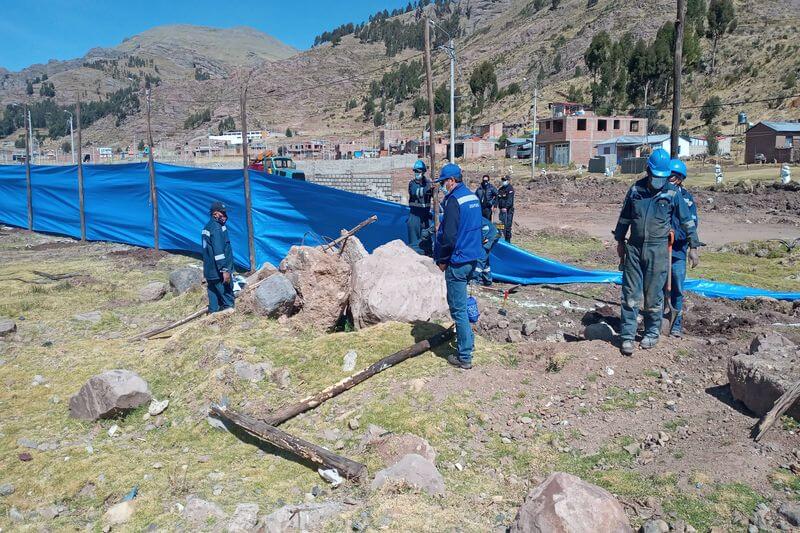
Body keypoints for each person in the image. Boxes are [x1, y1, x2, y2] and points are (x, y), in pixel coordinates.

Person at [613, 149, 700, 356]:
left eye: (663, 177)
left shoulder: (672, 192)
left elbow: (687, 221)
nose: (659, 181)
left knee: (654, 295)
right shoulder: (635, 190)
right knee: (630, 295)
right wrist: (619, 241)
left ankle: (652, 332)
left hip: (658, 249)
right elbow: (624, 218)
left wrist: (693, 247)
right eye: (656, 176)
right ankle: (627, 336)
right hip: (634, 248)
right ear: (648, 171)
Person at [434, 163, 483, 370]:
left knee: (459, 310)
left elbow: (449, 236)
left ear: (452, 181)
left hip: (458, 261)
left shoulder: (454, 201)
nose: (442, 187)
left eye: (443, 183)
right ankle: (467, 342)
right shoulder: (472, 197)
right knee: (462, 307)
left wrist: (443, 260)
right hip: (472, 258)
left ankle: (464, 356)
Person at [667, 159, 699, 338]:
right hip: (658, 250)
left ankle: (676, 324)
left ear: (679, 179)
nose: (667, 179)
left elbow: (691, 224)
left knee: (677, 286)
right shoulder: (661, 194)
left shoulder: (686, 199)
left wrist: (692, 248)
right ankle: (656, 320)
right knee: (656, 287)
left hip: (678, 249)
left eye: (671, 176)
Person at [202, 201, 235, 313]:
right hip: (218, 273)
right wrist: (224, 270)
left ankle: (213, 322)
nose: (225, 217)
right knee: (228, 302)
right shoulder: (216, 228)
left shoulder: (208, 226)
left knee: (214, 303)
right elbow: (219, 252)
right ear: (215, 214)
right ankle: (229, 324)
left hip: (210, 271)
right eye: (223, 214)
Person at [407, 159, 433, 254]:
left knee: (427, 240)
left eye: (418, 171)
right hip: (414, 216)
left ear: (423, 172)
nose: (416, 173)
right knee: (414, 242)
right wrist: (428, 188)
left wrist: (436, 189)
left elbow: (434, 195)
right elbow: (416, 193)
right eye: (415, 171)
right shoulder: (412, 184)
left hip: (426, 216)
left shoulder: (428, 183)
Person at [474, 217, 500, 286]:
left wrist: (482, 240)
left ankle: (474, 279)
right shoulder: (474, 216)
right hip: (493, 234)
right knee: (485, 259)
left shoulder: (475, 219)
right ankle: (487, 280)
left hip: (490, 235)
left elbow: (485, 230)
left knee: (481, 257)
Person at [497, 175, 515, 242]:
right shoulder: (500, 189)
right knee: (501, 225)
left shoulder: (510, 189)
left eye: (504, 180)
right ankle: (501, 239)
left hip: (508, 211)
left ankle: (508, 241)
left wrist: (505, 207)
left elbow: (510, 200)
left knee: (507, 226)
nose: (503, 182)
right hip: (501, 211)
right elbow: (497, 198)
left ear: (508, 180)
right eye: (502, 180)